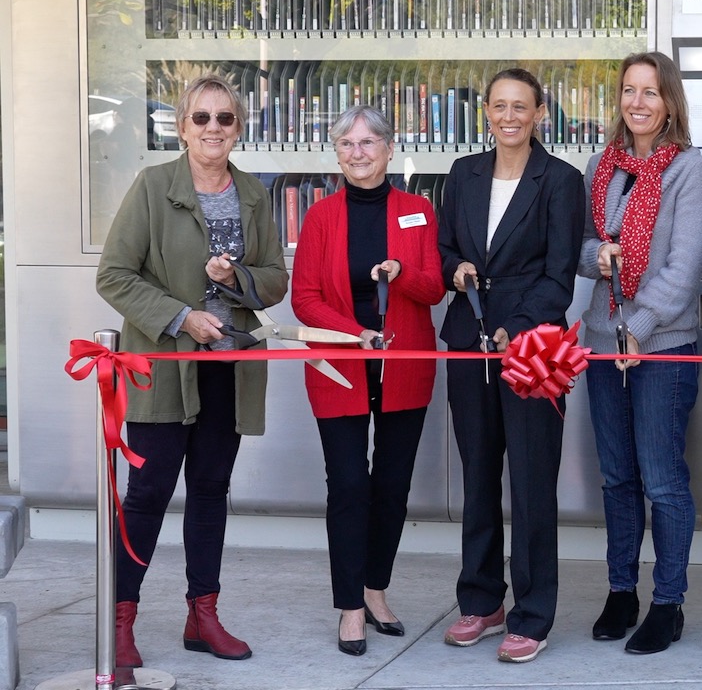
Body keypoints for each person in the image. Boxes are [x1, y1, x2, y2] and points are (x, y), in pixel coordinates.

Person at [96, 73, 288, 667]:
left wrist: (238, 281)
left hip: (228, 366)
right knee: (148, 492)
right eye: (201, 118)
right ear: (182, 128)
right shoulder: (153, 187)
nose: (213, 129)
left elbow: (276, 280)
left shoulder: (255, 194)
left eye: (225, 119)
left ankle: (202, 616)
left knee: (210, 490)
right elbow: (114, 275)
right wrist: (182, 317)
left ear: (238, 128)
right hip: (162, 364)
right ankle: (119, 623)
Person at [437, 68, 586, 664]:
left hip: (532, 348)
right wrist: (455, 269)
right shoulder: (462, 173)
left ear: (540, 113)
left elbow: (559, 274)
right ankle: (480, 600)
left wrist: (516, 328)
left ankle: (532, 614)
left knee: (529, 481)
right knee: (478, 475)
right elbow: (446, 246)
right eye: (499, 106)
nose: (509, 117)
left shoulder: (561, 180)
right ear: (487, 113)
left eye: (520, 106)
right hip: (468, 338)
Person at [291, 105, 446, 656]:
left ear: (388, 146)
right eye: (347, 144)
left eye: (368, 142)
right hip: (340, 367)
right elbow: (304, 298)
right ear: (337, 153)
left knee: (392, 487)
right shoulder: (320, 217)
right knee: (350, 485)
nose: (358, 153)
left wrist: (403, 276)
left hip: (404, 367)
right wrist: (355, 332)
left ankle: (375, 589)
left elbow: (434, 289)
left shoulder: (417, 211)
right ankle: (350, 608)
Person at [577, 52, 702, 654]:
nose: (638, 102)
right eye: (630, 91)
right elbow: (579, 246)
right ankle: (620, 591)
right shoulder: (600, 166)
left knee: (661, 480)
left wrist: (638, 325)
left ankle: (668, 602)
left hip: (662, 345)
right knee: (616, 478)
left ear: (670, 102)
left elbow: (684, 271)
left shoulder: (689, 170)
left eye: (651, 93)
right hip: (604, 344)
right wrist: (597, 257)